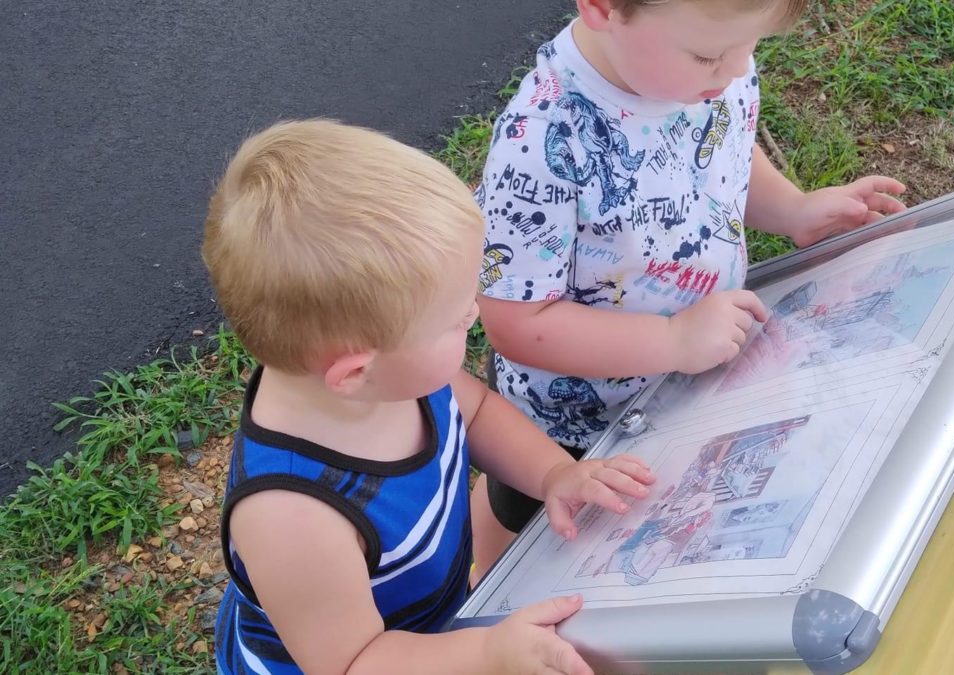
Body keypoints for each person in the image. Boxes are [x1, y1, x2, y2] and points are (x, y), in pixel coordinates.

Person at [470, 0, 907, 578]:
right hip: (574, 420)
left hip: (687, 378)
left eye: (750, 47)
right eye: (709, 55)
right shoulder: (542, 144)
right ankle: (482, 581)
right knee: (522, 510)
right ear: (604, 8)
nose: (733, 71)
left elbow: (721, 154)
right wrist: (673, 339)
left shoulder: (698, 74)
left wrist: (793, 209)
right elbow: (518, 322)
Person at [203, 119, 655, 675]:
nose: (475, 312)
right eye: (455, 319)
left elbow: (481, 412)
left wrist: (554, 474)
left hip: (424, 626)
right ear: (354, 373)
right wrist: (487, 654)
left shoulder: (395, 379)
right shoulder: (292, 517)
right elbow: (355, 662)